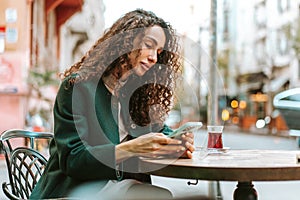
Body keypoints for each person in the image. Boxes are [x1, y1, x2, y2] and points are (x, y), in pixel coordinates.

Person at [30, 9, 195, 199]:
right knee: (157, 196)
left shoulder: (134, 95)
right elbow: (73, 160)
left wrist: (177, 142)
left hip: (117, 186)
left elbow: (158, 131)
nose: (154, 58)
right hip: (72, 190)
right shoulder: (78, 87)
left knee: (159, 195)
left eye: (158, 52)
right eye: (148, 45)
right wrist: (132, 148)